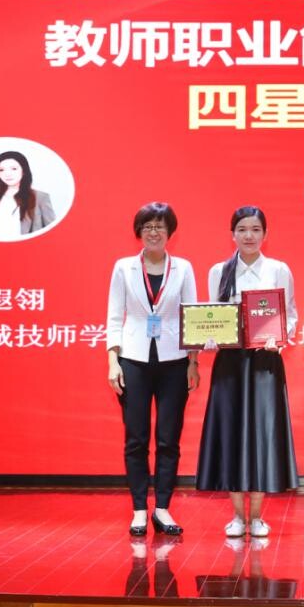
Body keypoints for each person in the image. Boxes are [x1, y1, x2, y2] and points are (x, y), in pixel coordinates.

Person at [196, 206, 299, 539]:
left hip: (265, 363)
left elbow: (290, 314)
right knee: (232, 436)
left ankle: (256, 517)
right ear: (233, 234)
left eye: (255, 229)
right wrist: (210, 338)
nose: (249, 235)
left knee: (261, 436)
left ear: (265, 234)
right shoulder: (219, 271)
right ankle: (238, 517)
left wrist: (279, 338)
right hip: (229, 365)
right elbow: (213, 314)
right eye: (242, 229)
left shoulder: (278, 269)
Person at [106, 202, 199, 537]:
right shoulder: (124, 268)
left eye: (160, 226)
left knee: (168, 439)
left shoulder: (183, 268)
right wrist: (112, 361)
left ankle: (162, 507)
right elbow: (114, 316)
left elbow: (191, 316)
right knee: (136, 439)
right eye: (148, 226)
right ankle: (138, 510)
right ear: (139, 232)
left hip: (175, 361)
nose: (154, 232)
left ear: (170, 231)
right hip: (133, 359)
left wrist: (193, 362)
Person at [0, 150, 56, 236]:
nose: (7, 174)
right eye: (1, 170)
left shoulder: (40, 197)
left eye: (14, 169)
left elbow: (52, 230)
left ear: (24, 171)